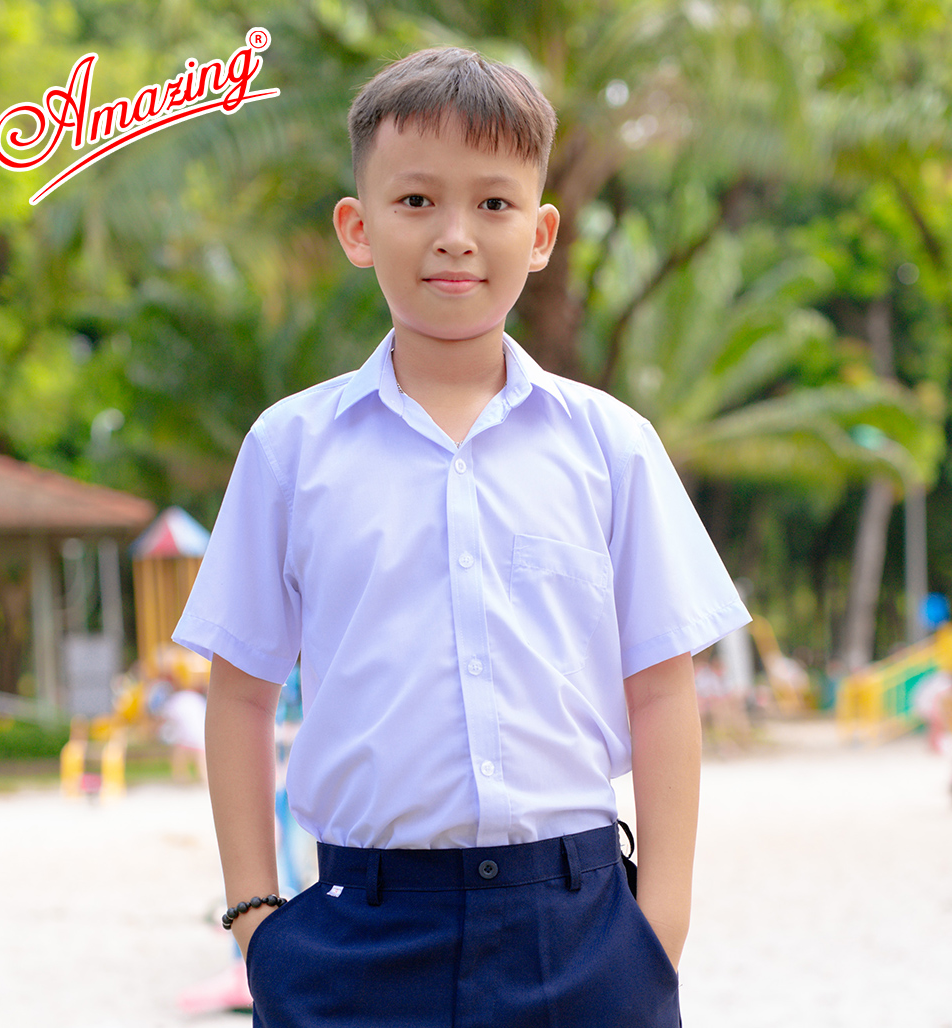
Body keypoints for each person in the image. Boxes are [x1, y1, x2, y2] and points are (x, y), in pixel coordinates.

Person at [174, 46, 750, 1028]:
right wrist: (255, 918)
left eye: (493, 203)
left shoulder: (610, 447)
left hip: (579, 931)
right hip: (354, 934)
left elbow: (661, 688)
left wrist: (659, 926)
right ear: (357, 228)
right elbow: (240, 691)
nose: (454, 236)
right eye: (415, 201)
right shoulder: (290, 449)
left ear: (541, 232)